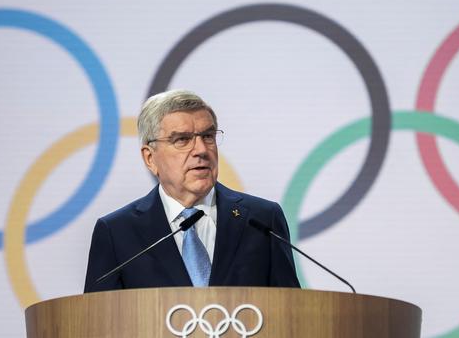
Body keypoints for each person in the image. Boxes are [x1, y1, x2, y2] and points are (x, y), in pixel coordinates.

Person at [84, 89, 300, 292]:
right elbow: (97, 322)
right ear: (150, 158)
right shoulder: (117, 232)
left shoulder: (262, 220)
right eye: (182, 140)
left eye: (208, 136)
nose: (202, 150)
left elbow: (292, 313)